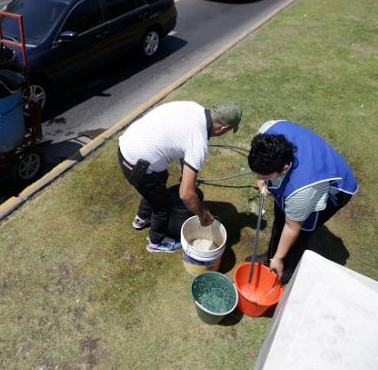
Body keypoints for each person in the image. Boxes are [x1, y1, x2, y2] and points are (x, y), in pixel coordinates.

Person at [118, 100, 242, 253]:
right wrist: (203, 215)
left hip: (126, 146)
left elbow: (182, 143)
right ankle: (156, 242)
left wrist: (185, 174)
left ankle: (142, 218)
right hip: (139, 167)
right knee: (162, 207)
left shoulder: (194, 108)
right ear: (223, 128)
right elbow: (186, 194)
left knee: (158, 180)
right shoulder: (198, 143)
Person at [247, 120, 358, 284]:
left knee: (302, 231)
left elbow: (292, 227)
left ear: (284, 168)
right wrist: (264, 179)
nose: (259, 180)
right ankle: (270, 257)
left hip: (335, 189)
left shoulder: (302, 190)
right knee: (281, 213)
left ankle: (286, 268)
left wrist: (279, 258)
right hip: (307, 170)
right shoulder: (268, 132)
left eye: (265, 176)